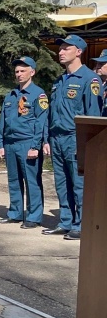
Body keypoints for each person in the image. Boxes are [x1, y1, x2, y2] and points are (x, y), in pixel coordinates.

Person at [42, 35, 103, 241]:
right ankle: (65, 221)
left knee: (79, 184)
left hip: (75, 139)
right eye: (60, 49)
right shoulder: (59, 81)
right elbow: (52, 114)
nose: (60, 52)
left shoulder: (89, 80)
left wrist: (86, 144)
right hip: (58, 138)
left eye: (66, 48)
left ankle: (81, 224)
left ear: (79, 52)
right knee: (62, 183)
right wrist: (48, 138)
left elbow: (92, 116)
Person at [0, 57, 48, 229]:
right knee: (14, 180)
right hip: (11, 144)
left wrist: (35, 146)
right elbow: (2, 121)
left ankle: (33, 217)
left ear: (32, 72)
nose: (19, 74)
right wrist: (0, 143)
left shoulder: (38, 95)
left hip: (27, 144)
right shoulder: (11, 95)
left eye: (23, 71)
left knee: (31, 181)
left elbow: (41, 123)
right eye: (17, 71)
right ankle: (15, 213)